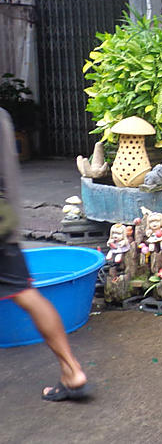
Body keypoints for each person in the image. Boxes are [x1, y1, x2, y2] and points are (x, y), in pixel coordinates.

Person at [0, 108, 91, 402]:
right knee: (26, 293)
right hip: (5, 221)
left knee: (25, 293)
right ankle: (71, 369)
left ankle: (72, 369)